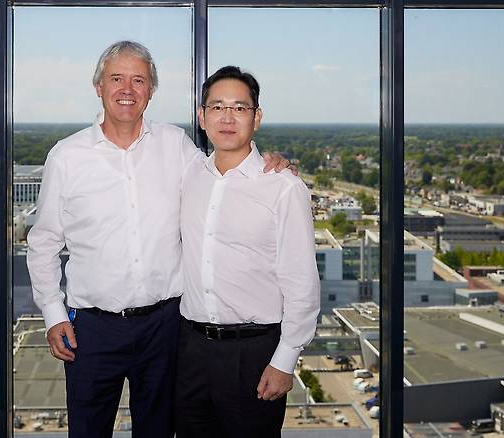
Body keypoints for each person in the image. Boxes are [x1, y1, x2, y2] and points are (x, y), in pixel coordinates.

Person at [26, 42, 292, 438]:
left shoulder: (177, 146)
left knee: (159, 432)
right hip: (92, 331)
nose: (127, 89)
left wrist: (273, 167)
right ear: (98, 86)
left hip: (165, 329)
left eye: (139, 80)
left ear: (151, 91)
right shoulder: (67, 156)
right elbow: (43, 242)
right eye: (117, 78)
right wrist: (53, 313)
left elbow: (224, 176)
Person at [176, 65, 321, 438]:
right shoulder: (188, 176)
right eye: (217, 107)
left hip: (254, 354)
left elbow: (301, 282)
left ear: (256, 118)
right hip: (190, 350)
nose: (227, 117)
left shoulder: (283, 188)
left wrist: (285, 361)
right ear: (201, 116)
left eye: (239, 108)